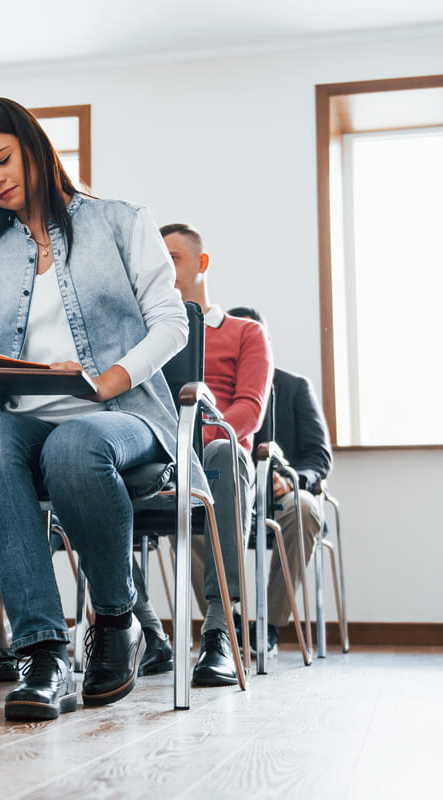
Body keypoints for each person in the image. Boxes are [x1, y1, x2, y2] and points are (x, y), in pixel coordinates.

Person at [0, 97, 190, 721]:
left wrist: (107, 380)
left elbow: (171, 322)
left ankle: (117, 620)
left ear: (33, 145)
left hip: (124, 416)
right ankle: (43, 653)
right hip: (24, 422)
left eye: (2, 159)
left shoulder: (122, 221)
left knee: (76, 444)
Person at [161, 224, 273, 685]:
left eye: (173, 259)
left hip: (221, 458)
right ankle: (144, 628)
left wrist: (195, 440)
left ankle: (220, 629)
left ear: (201, 264)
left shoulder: (246, 332)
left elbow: (248, 409)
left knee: (223, 452)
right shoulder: (147, 336)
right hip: (163, 457)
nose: (163, 270)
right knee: (90, 457)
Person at [226, 306, 332, 656]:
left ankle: (268, 625)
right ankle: (227, 621)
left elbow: (319, 457)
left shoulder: (296, 387)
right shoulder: (216, 391)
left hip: (284, 496)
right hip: (232, 493)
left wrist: (291, 479)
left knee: (304, 509)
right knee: (194, 514)